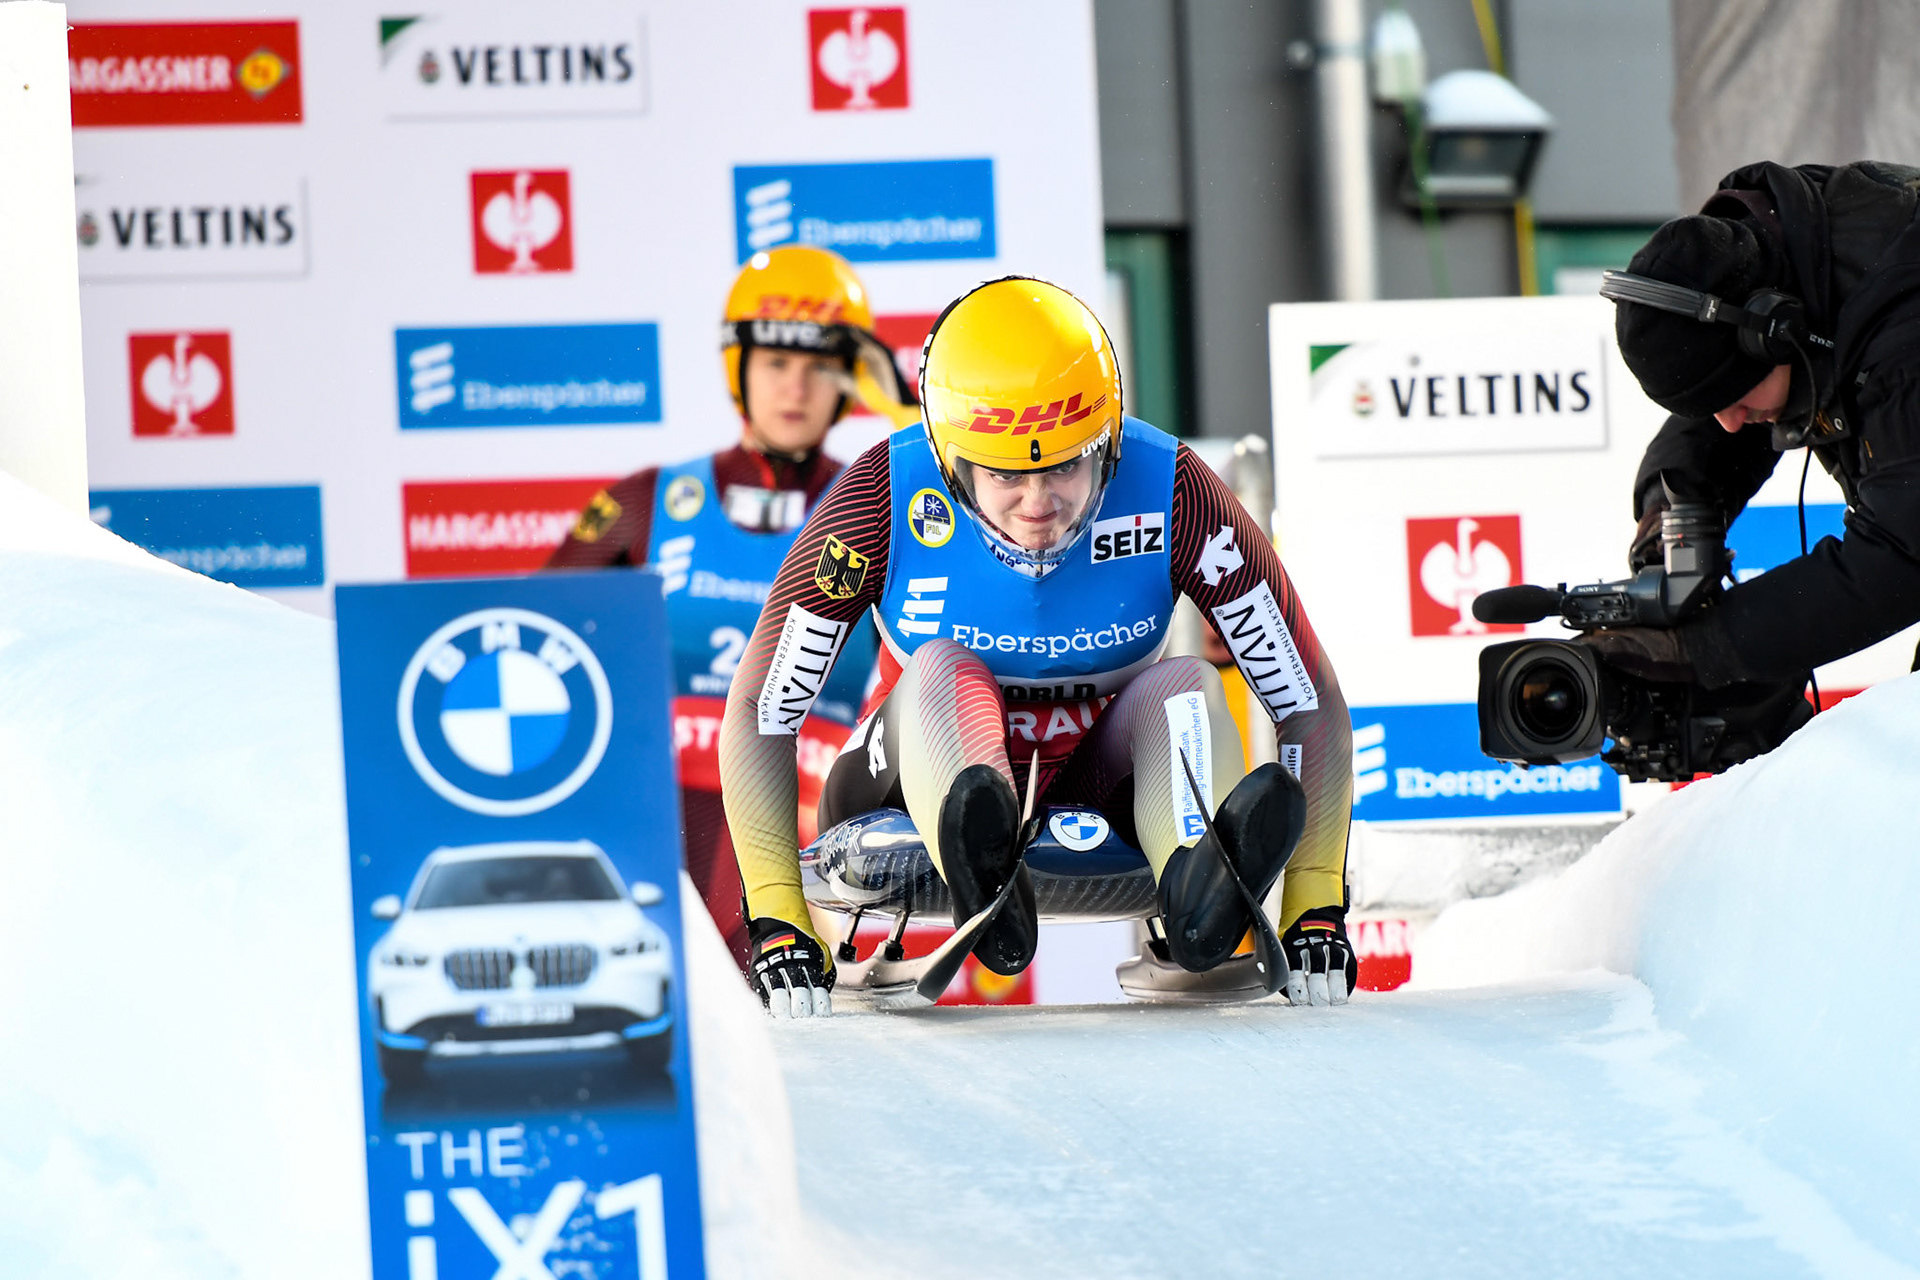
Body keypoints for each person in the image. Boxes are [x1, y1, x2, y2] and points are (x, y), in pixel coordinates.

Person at [716, 276, 1356, 1017]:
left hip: (1094, 778)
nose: (1039, 502)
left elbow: (1307, 700)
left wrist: (1315, 901)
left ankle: (1198, 887)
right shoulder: (881, 494)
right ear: (951, 464)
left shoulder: (1175, 489)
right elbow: (764, 709)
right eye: (1004, 476)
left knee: (1182, 684)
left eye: (1065, 466)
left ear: (1109, 445)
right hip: (905, 775)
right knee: (942, 666)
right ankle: (980, 856)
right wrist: (778, 915)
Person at [545, 245, 913, 968]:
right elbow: (530, 643)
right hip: (651, 832)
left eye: (819, 367)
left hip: (807, 839)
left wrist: (906, 416)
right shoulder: (647, 501)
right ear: (738, 370)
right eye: (776, 363)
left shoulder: (882, 507)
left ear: (851, 381)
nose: (796, 388)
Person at [1594, 160, 1920, 690]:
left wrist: (1704, 649)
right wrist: (1673, 509)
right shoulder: (1777, 264)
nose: (1729, 424)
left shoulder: (1903, 329)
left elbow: (1904, 553)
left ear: (1776, 329)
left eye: (1732, 398)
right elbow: (1723, 383)